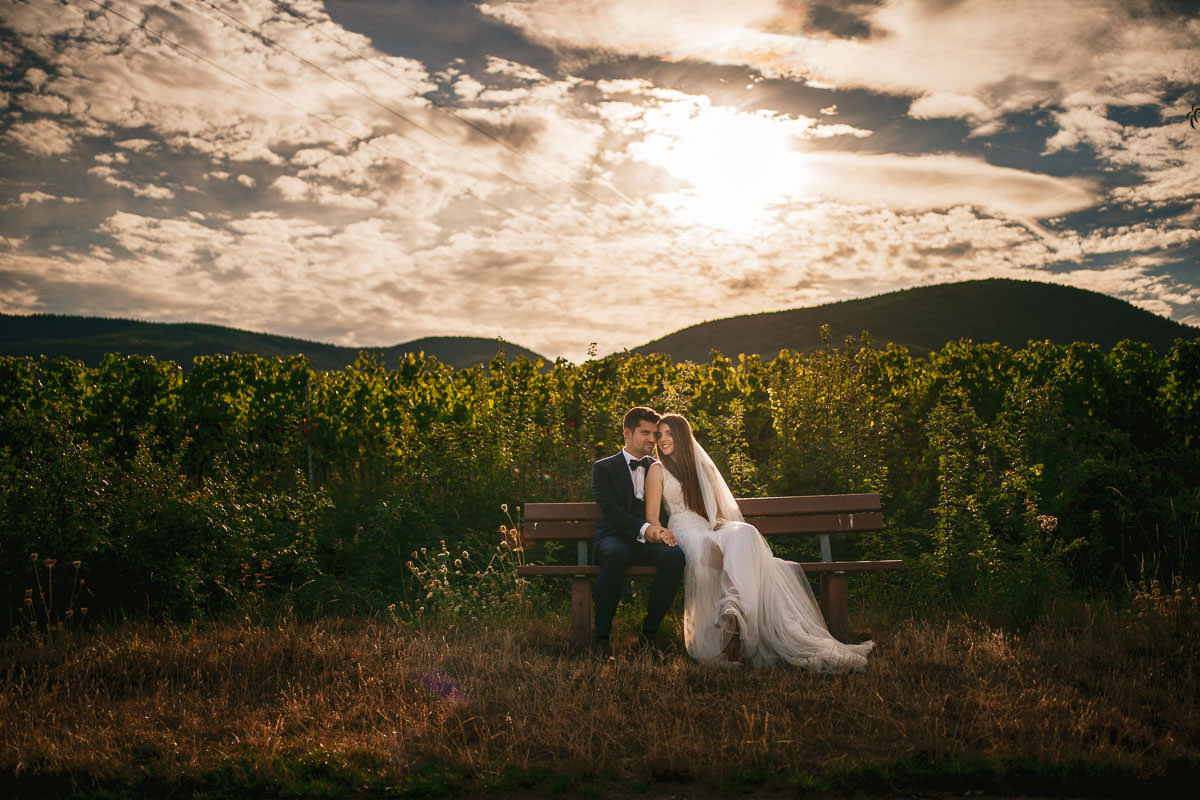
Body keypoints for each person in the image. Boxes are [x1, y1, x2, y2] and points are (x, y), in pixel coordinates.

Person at [644, 413, 874, 672]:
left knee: (745, 532)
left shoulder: (699, 465)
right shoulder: (657, 469)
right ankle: (731, 624)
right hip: (684, 532)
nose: (662, 440)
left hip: (708, 527)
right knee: (740, 556)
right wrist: (660, 533)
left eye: (668, 433)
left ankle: (733, 609)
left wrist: (719, 521)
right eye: (659, 434)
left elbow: (716, 509)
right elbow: (652, 518)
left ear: (683, 436)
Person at [591, 406, 686, 660]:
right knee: (615, 554)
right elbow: (611, 511)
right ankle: (602, 640)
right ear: (627, 432)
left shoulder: (661, 467)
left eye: (655, 434)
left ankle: (649, 634)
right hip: (614, 536)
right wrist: (648, 530)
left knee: (674, 557)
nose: (652, 439)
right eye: (645, 432)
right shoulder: (604, 468)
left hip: (650, 541)